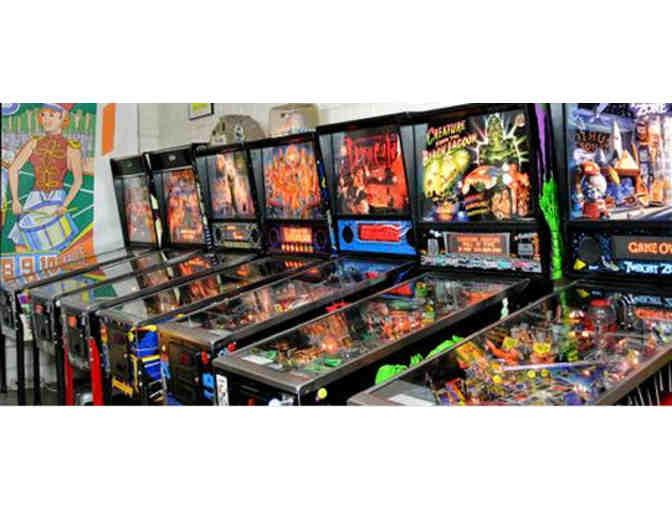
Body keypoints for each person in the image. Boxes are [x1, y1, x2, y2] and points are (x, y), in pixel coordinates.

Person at [7, 103, 83, 252]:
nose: (46, 120)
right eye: (43, 115)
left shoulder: (71, 147)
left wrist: (65, 205)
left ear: (63, 117)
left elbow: (78, 181)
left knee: (59, 244)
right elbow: (13, 169)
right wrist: (15, 200)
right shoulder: (34, 143)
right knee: (21, 243)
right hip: (35, 197)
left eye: (51, 115)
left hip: (57, 198)